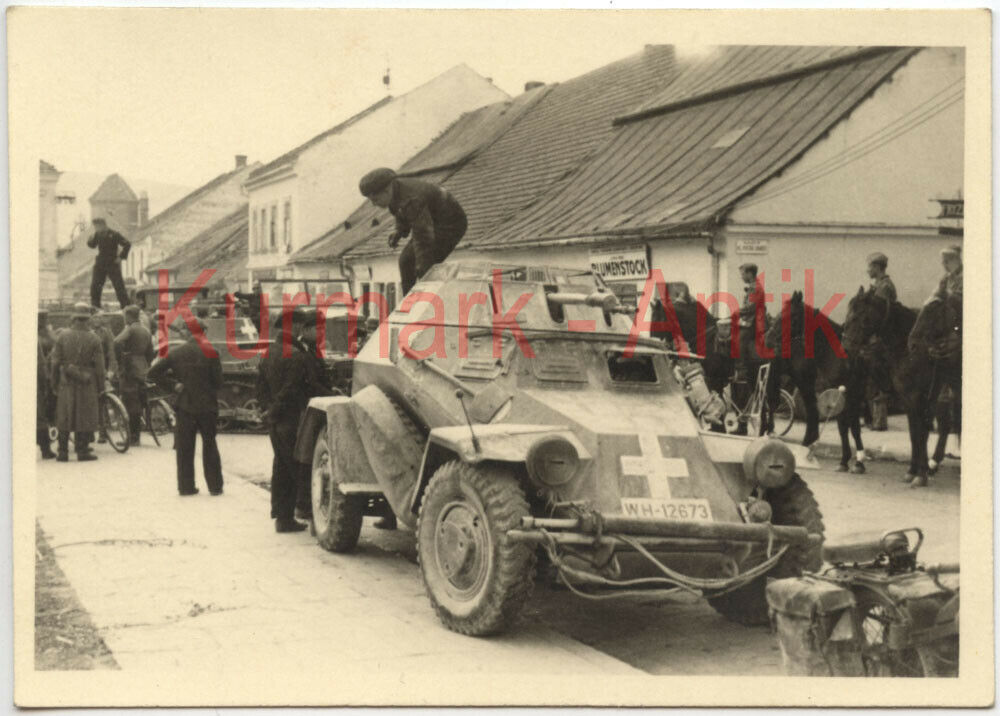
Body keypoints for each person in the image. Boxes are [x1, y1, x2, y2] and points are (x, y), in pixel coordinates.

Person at [257, 308, 333, 533]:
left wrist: (267, 409)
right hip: (292, 419)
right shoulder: (297, 356)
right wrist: (275, 410)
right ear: (295, 327)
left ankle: (282, 517)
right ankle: (301, 514)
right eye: (300, 325)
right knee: (297, 469)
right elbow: (292, 391)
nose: (301, 329)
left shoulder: (269, 352)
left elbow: (259, 386)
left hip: (276, 421)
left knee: (281, 467)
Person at [359, 168, 468, 295]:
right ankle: (408, 301)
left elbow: (423, 236)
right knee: (405, 261)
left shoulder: (411, 199)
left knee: (425, 266)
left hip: (450, 224)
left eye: (376, 200)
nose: (374, 204)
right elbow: (400, 214)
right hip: (431, 222)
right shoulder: (394, 191)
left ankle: (427, 302)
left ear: (387, 191)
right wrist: (399, 231)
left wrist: (423, 265)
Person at [147, 318, 223, 496]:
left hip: (185, 405)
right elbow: (219, 382)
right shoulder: (212, 352)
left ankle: (186, 487)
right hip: (207, 406)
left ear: (187, 333)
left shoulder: (176, 353)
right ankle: (215, 486)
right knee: (210, 445)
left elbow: (151, 374)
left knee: (185, 448)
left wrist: (173, 385)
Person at [49, 304, 106, 462]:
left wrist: (54, 382)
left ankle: (62, 452)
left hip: (66, 380)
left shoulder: (62, 336)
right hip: (87, 380)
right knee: (84, 414)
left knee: (64, 414)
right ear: (88, 319)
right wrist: (101, 387)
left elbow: (55, 362)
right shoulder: (94, 338)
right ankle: (82, 451)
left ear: (73, 318)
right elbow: (100, 367)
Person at [115, 305, 156, 446]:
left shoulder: (130, 329)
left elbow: (117, 342)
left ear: (129, 316)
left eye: (125, 316)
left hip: (129, 369)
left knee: (129, 402)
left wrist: (122, 359)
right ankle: (136, 436)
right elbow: (151, 352)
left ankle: (132, 438)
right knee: (138, 401)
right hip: (142, 368)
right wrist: (145, 363)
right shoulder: (146, 330)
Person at [863, 252, 895, 431]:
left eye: (870, 267)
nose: (868, 270)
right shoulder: (878, 285)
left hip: (881, 339)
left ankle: (879, 420)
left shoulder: (885, 287)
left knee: (877, 377)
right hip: (874, 338)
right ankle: (872, 419)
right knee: (871, 377)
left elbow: (879, 316)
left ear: (877, 267)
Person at [88, 217, 131, 309]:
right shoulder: (97, 234)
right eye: (95, 227)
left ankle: (126, 308)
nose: (96, 229)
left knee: (119, 286)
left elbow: (127, 244)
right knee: (95, 286)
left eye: (97, 227)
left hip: (112, 263)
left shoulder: (114, 234)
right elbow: (92, 245)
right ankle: (95, 307)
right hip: (100, 263)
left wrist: (121, 257)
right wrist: (89, 240)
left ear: (103, 225)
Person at [37, 311, 56, 459]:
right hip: (39, 377)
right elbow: (41, 363)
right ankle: (45, 449)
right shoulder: (45, 335)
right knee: (40, 414)